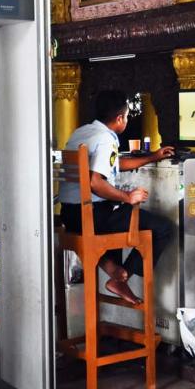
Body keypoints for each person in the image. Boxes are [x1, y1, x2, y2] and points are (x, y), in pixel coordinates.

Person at [58, 91, 176, 305]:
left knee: (114, 210)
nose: (127, 120)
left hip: (70, 215)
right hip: (91, 218)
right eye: (127, 116)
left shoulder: (81, 132)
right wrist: (128, 196)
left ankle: (114, 269)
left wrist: (152, 156)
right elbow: (95, 182)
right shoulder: (106, 140)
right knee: (163, 228)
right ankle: (123, 276)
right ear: (120, 118)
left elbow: (113, 164)